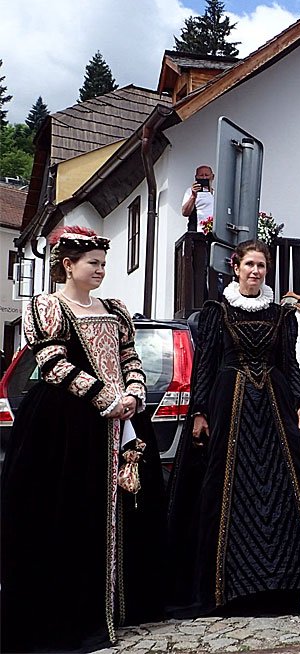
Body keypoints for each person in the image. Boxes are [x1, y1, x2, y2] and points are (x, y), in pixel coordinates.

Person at [1, 227, 166, 652]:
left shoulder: (114, 308)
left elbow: (130, 356)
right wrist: (105, 397)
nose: (100, 269)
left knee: (127, 506)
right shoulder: (49, 306)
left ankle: (117, 606)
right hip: (68, 425)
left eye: (102, 263)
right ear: (68, 265)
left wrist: (132, 391)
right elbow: (52, 363)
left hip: (119, 421)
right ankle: (71, 613)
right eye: (92, 262)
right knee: (69, 509)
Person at [167, 240, 300, 615]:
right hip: (228, 405)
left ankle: (286, 583)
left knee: (285, 482)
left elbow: (290, 363)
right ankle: (231, 586)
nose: (256, 271)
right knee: (227, 486)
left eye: (262, 266)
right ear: (235, 267)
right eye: (250, 264)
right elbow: (204, 364)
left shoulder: (281, 315)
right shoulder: (217, 311)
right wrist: (200, 411)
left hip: (274, 404)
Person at [181, 164, 215, 231]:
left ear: (212, 177)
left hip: (215, 233)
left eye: (207, 175)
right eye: (201, 175)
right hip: (198, 233)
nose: (204, 178)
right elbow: (185, 213)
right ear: (196, 177)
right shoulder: (190, 191)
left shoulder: (217, 194)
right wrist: (193, 196)